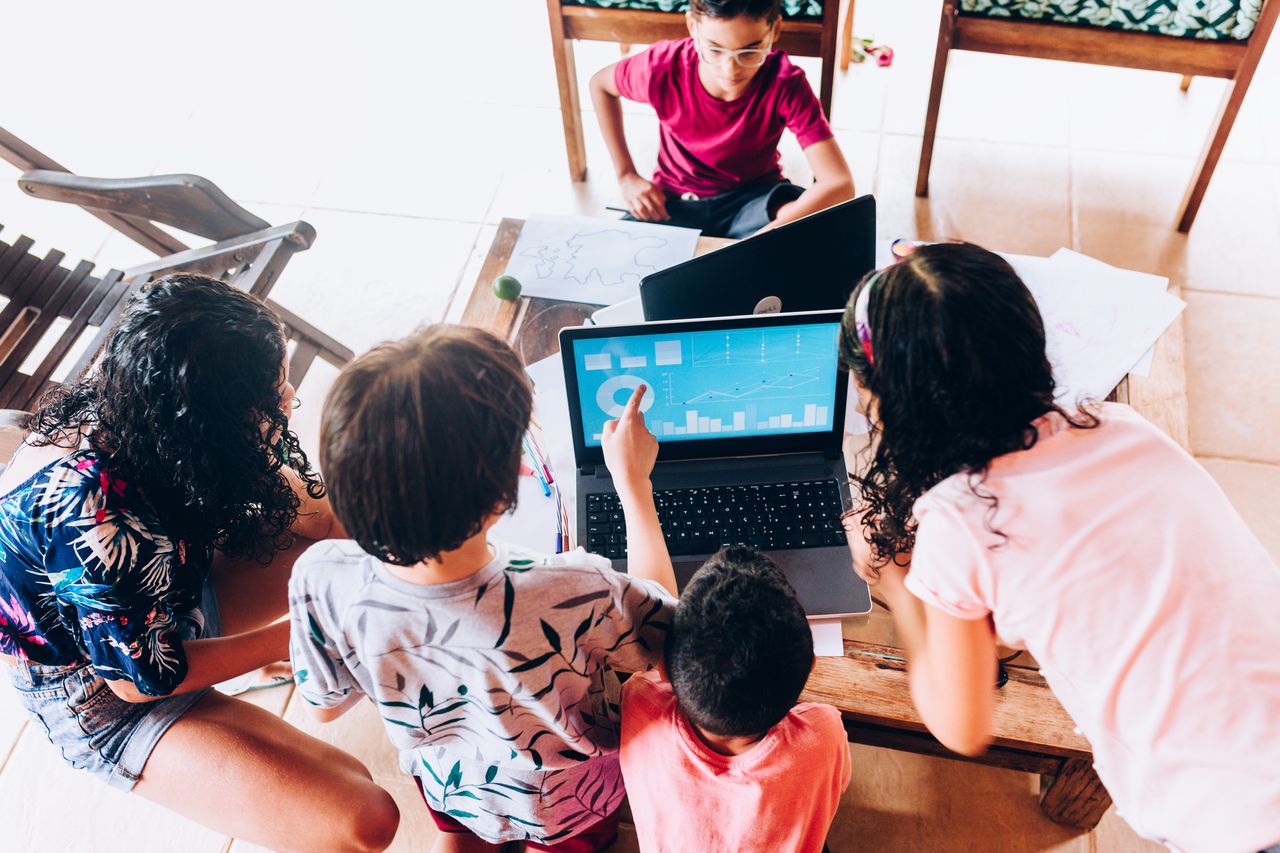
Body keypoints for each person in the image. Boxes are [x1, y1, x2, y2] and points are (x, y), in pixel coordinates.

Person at [837, 242, 1280, 853]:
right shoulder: (1125, 428)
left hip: (1236, 818)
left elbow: (959, 724)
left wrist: (897, 588)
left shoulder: (960, 520)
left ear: (890, 407)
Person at [0, 274, 398, 852]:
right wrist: (296, 636)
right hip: (109, 689)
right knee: (364, 817)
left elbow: (323, 518)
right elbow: (140, 684)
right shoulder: (93, 519)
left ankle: (254, 670)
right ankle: (245, 682)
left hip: (169, 596)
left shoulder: (144, 403)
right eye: (275, 395)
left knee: (330, 538)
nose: (287, 402)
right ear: (210, 421)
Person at [288, 326, 679, 853]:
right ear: (503, 491)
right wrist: (635, 485)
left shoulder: (318, 575)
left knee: (463, 839)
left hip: (452, 786)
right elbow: (670, 638)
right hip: (566, 796)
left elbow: (324, 707)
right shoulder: (572, 586)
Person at [619, 545, 851, 852]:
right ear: (811, 665)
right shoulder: (823, 732)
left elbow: (653, 631)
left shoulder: (640, 705)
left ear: (663, 667)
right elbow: (841, 781)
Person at [588, 0, 854, 239]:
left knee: (802, 224)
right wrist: (626, 175)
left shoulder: (785, 82)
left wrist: (761, 240)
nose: (731, 70)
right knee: (621, 254)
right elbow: (600, 85)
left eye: (750, 52)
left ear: (774, 30)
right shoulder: (662, 68)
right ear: (693, 26)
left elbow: (838, 182)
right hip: (677, 200)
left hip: (754, 201)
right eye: (714, 50)